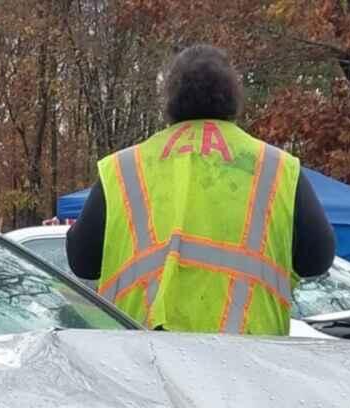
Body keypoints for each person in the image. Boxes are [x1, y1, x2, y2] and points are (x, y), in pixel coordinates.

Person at [66, 45, 335, 334]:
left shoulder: (125, 167)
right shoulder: (276, 167)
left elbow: (82, 262)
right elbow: (317, 260)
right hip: (249, 360)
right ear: (233, 97)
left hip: (144, 358)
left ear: (170, 99)